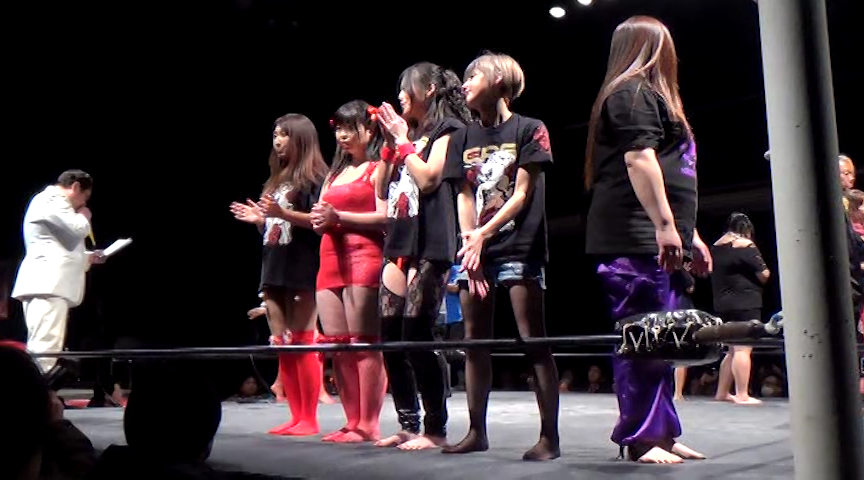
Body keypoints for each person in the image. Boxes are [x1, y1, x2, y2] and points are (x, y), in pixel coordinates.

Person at [584, 16, 711, 463]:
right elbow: (639, 159)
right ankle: (640, 437)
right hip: (635, 237)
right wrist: (663, 225)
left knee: (664, 339)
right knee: (642, 337)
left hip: (657, 237)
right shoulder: (630, 93)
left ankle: (662, 432)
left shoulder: (651, 96)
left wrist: (690, 234)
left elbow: (674, 173)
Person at [441, 53, 559, 461]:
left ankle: (549, 438)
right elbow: (463, 195)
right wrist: (469, 241)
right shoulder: (461, 138)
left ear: (499, 80)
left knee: (533, 339)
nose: (465, 82)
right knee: (474, 342)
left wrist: (482, 235)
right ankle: (476, 431)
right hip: (475, 250)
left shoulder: (530, 128)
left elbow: (522, 193)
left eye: (474, 74)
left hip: (519, 246)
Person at [372, 62, 472, 450]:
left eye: (406, 86)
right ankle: (407, 424)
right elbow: (381, 188)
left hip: (432, 240)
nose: (400, 94)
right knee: (390, 337)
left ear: (428, 89)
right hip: (401, 240)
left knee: (417, 334)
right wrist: (390, 142)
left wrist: (403, 141)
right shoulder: (408, 134)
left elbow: (430, 179)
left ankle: (435, 428)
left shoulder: (449, 128)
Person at [230, 113, 328, 435]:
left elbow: (318, 223)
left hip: (301, 266)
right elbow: (275, 227)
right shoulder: (277, 179)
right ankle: (296, 415)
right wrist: (261, 221)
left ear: (300, 139)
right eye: (274, 135)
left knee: (302, 341)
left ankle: (309, 418)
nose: (277, 141)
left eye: (284, 135)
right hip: (274, 265)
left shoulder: (315, 178)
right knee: (282, 343)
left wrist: (281, 212)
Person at [313, 100, 388, 443]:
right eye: (339, 129)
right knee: (339, 346)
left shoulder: (377, 168)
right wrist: (314, 220)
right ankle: (352, 420)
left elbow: (385, 217)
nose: (342, 135)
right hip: (329, 259)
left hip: (364, 256)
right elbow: (319, 217)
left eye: (350, 128)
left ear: (369, 130)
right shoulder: (334, 174)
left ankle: (369, 423)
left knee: (364, 344)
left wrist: (338, 218)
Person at [12, 170, 106, 374]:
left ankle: (38, 387)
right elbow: (77, 230)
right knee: (45, 346)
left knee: (46, 344)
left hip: (48, 283)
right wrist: (85, 215)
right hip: (47, 283)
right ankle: (39, 389)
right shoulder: (51, 200)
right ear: (75, 187)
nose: (83, 204)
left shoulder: (52, 203)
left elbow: (59, 244)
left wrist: (87, 257)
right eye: (84, 197)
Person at [711, 213, 770, 405]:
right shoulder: (746, 245)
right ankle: (742, 394)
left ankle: (722, 393)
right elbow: (764, 274)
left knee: (731, 349)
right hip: (745, 301)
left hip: (722, 302)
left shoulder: (716, 246)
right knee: (743, 349)